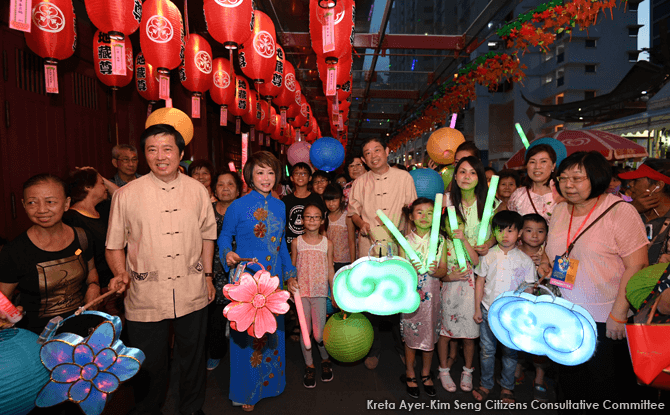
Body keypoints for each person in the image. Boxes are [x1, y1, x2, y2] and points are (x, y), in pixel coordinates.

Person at [107, 122, 217, 415]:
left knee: (193, 356)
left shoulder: (197, 191)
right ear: (144, 155)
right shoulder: (126, 194)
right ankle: (148, 409)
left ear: (180, 153)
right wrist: (120, 273)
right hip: (145, 292)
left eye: (168, 149)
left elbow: (208, 235)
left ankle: (192, 408)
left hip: (191, 287)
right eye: (152, 149)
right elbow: (114, 245)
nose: (160, 156)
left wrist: (207, 276)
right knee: (148, 361)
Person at [545, 151, 648, 406]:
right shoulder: (559, 210)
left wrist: (618, 314)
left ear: (597, 177)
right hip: (566, 314)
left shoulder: (620, 212)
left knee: (605, 388)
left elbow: (638, 265)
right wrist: (546, 266)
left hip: (605, 319)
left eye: (577, 178)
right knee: (568, 385)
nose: (568, 184)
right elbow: (560, 253)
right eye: (563, 177)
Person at [218, 151, 297, 412]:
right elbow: (223, 238)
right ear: (250, 175)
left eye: (271, 172)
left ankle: (271, 385)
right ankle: (245, 391)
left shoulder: (280, 205)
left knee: (273, 332)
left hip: (273, 281)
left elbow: (282, 248)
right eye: (260, 172)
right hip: (248, 279)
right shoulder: (237, 206)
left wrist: (289, 274)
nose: (266, 178)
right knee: (246, 336)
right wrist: (226, 254)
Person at [347, 137, 417, 370]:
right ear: (364, 159)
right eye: (367, 152)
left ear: (387, 151)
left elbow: (412, 212)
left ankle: (402, 348)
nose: (373, 155)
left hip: (397, 247)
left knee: (398, 296)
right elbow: (353, 211)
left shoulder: (404, 178)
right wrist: (360, 224)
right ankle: (373, 348)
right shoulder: (360, 181)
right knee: (370, 296)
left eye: (377, 150)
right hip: (369, 245)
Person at [0, 174, 100, 334]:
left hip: (81, 332)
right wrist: (5, 317)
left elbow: (91, 270)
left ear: (66, 203)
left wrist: (94, 286)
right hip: (37, 340)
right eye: (32, 202)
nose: (41, 209)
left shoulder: (82, 237)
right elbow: (3, 298)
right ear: (23, 205)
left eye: (50, 202)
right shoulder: (14, 251)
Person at [438, 156, 493, 394]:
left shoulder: (490, 203)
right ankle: (443, 368)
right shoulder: (447, 202)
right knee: (446, 326)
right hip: (451, 271)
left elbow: (498, 233)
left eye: (472, 172)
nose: (467, 177)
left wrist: (489, 242)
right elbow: (437, 235)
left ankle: (468, 370)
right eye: (462, 172)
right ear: (455, 176)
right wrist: (442, 271)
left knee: (471, 328)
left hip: (476, 272)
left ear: (479, 177)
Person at [473, 210, 536, 404]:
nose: (505, 235)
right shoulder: (488, 255)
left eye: (510, 231)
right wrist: (477, 309)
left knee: (510, 352)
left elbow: (529, 287)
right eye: (500, 231)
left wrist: (523, 312)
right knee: (487, 350)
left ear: (519, 233)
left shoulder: (525, 260)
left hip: (511, 314)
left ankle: (507, 387)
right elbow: (480, 282)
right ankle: (486, 384)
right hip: (488, 309)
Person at [400, 198, 447, 399]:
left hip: (433, 296)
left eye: (430, 213)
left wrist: (437, 271)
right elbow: (401, 271)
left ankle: (426, 372)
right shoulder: (404, 240)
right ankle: (410, 371)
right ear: (411, 216)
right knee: (411, 337)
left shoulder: (440, 240)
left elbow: (444, 270)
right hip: (411, 297)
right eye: (420, 212)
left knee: (429, 337)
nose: (425, 217)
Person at [63, 168, 121, 315]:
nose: (105, 188)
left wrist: (98, 174)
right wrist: (93, 286)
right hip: (94, 290)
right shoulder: (71, 218)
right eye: (102, 183)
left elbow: (123, 195)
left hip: (113, 286)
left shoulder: (103, 210)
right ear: (88, 187)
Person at [290, 203, 335, 389]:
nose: (312, 220)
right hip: (301, 293)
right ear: (302, 220)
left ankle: (325, 359)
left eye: (316, 217)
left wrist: (334, 292)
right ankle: (310, 365)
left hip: (319, 293)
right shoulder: (296, 242)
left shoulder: (327, 243)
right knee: (305, 332)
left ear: (322, 221)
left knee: (318, 334)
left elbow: (330, 269)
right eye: (308, 216)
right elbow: (292, 267)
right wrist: (290, 282)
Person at [207, 170, 243, 371]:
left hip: (239, 269)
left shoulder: (244, 211)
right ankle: (216, 352)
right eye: (221, 184)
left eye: (230, 184)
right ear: (214, 189)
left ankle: (241, 355)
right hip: (212, 269)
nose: (226, 188)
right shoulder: (207, 211)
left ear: (238, 190)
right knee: (215, 316)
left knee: (240, 312)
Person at [516, 213, 552, 402]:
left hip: (540, 304)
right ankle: (517, 369)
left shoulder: (545, 251)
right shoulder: (515, 249)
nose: (535, 236)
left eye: (540, 231)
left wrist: (543, 267)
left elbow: (547, 272)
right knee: (519, 336)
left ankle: (539, 378)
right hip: (520, 302)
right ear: (521, 232)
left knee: (540, 340)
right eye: (529, 231)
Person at [619, 160, 670, 264]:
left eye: (636, 180)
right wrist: (631, 210)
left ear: (658, 186)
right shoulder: (628, 209)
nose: (630, 184)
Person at [507, 144, 562, 222]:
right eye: (532, 162)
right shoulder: (518, 195)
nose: (537, 166)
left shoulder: (563, 194)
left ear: (553, 165)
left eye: (543, 161)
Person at [283, 162, 325, 249]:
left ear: (310, 178)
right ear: (291, 178)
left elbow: (322, 224)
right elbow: (283, 226)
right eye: (297, 173)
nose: (300, 176)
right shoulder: (285, 200)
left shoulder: (316, 199)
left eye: (304, 173)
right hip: (290, 246)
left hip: (312, 245)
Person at [323, 184, 356, 271]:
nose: (331, 204)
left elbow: (352, 242)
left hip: (346, 260)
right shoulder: (326, 216)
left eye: (334, 200)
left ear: (342, 199)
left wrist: (353, 265)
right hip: (330, 260)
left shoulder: (346, 216)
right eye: (328, 200)